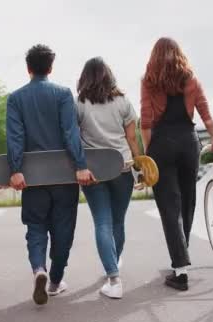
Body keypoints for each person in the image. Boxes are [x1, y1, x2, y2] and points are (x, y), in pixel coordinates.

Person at [6, 44, 95, 305]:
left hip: (33, 178)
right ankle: (55, 281)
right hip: (65, 177)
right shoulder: (63, 94)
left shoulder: (16, 99)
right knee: (63, 230)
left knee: (35, 227)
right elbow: (70, 132)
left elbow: (15, 137)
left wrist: (15, 169)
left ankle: (39, 270)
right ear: (50, 67)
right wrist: (80, 165)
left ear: (28, 69)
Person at [140, 37, 213, 291]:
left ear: (154, 56)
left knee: (169, 206)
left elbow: (145, 122)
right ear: (179, 54)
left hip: (161, 144)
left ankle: (180, 268)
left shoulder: (149, 81)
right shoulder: (191, 79)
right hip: (189, 144)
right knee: (187, 201)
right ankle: (182, 260)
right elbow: (206, 116)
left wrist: (149, 155)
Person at [76, 57, 140, 299]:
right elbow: (132, 139)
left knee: (102, 222)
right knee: (118, 222)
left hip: (93, 171)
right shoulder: (123, 102)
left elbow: (73, 139)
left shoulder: (79, 103)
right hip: (122, 166)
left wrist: (78, 166)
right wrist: (140, 164)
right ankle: (113, 265)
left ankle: (113, 278)